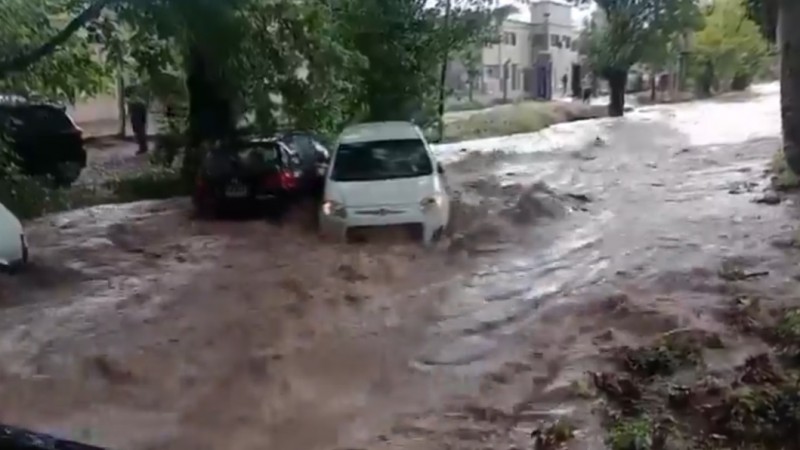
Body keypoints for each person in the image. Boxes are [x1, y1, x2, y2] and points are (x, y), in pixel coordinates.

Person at [125, 85, 149, 155]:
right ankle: (143, 147)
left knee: (139, 132)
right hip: (139, 116)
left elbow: (130, 111)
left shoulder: (132, 101)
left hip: (137, 117)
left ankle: (143, 148)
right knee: (141, 131)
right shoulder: (138, 101)